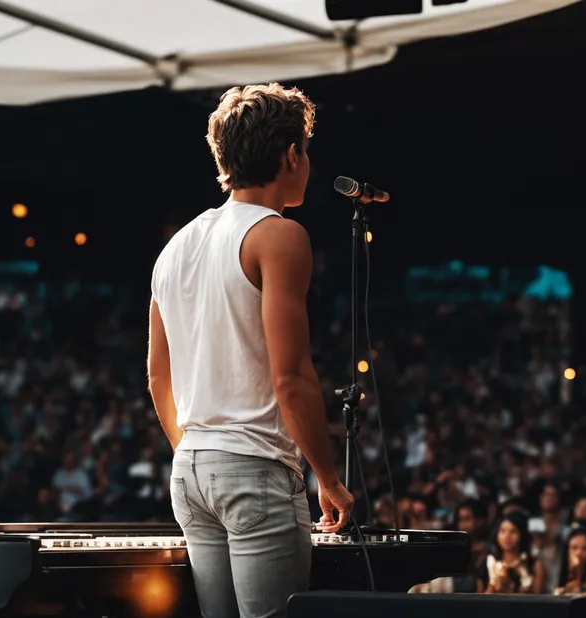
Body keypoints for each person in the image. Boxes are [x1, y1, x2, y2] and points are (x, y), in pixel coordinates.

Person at [147, 83, 354, 618]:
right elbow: (291, 377)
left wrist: (196, 451)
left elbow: (156, 377)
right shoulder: (279, 236)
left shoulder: (176, 246)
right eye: (306, 150)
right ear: (291, 154)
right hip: (255, 469)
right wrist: (328, 479)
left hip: (189, 468)